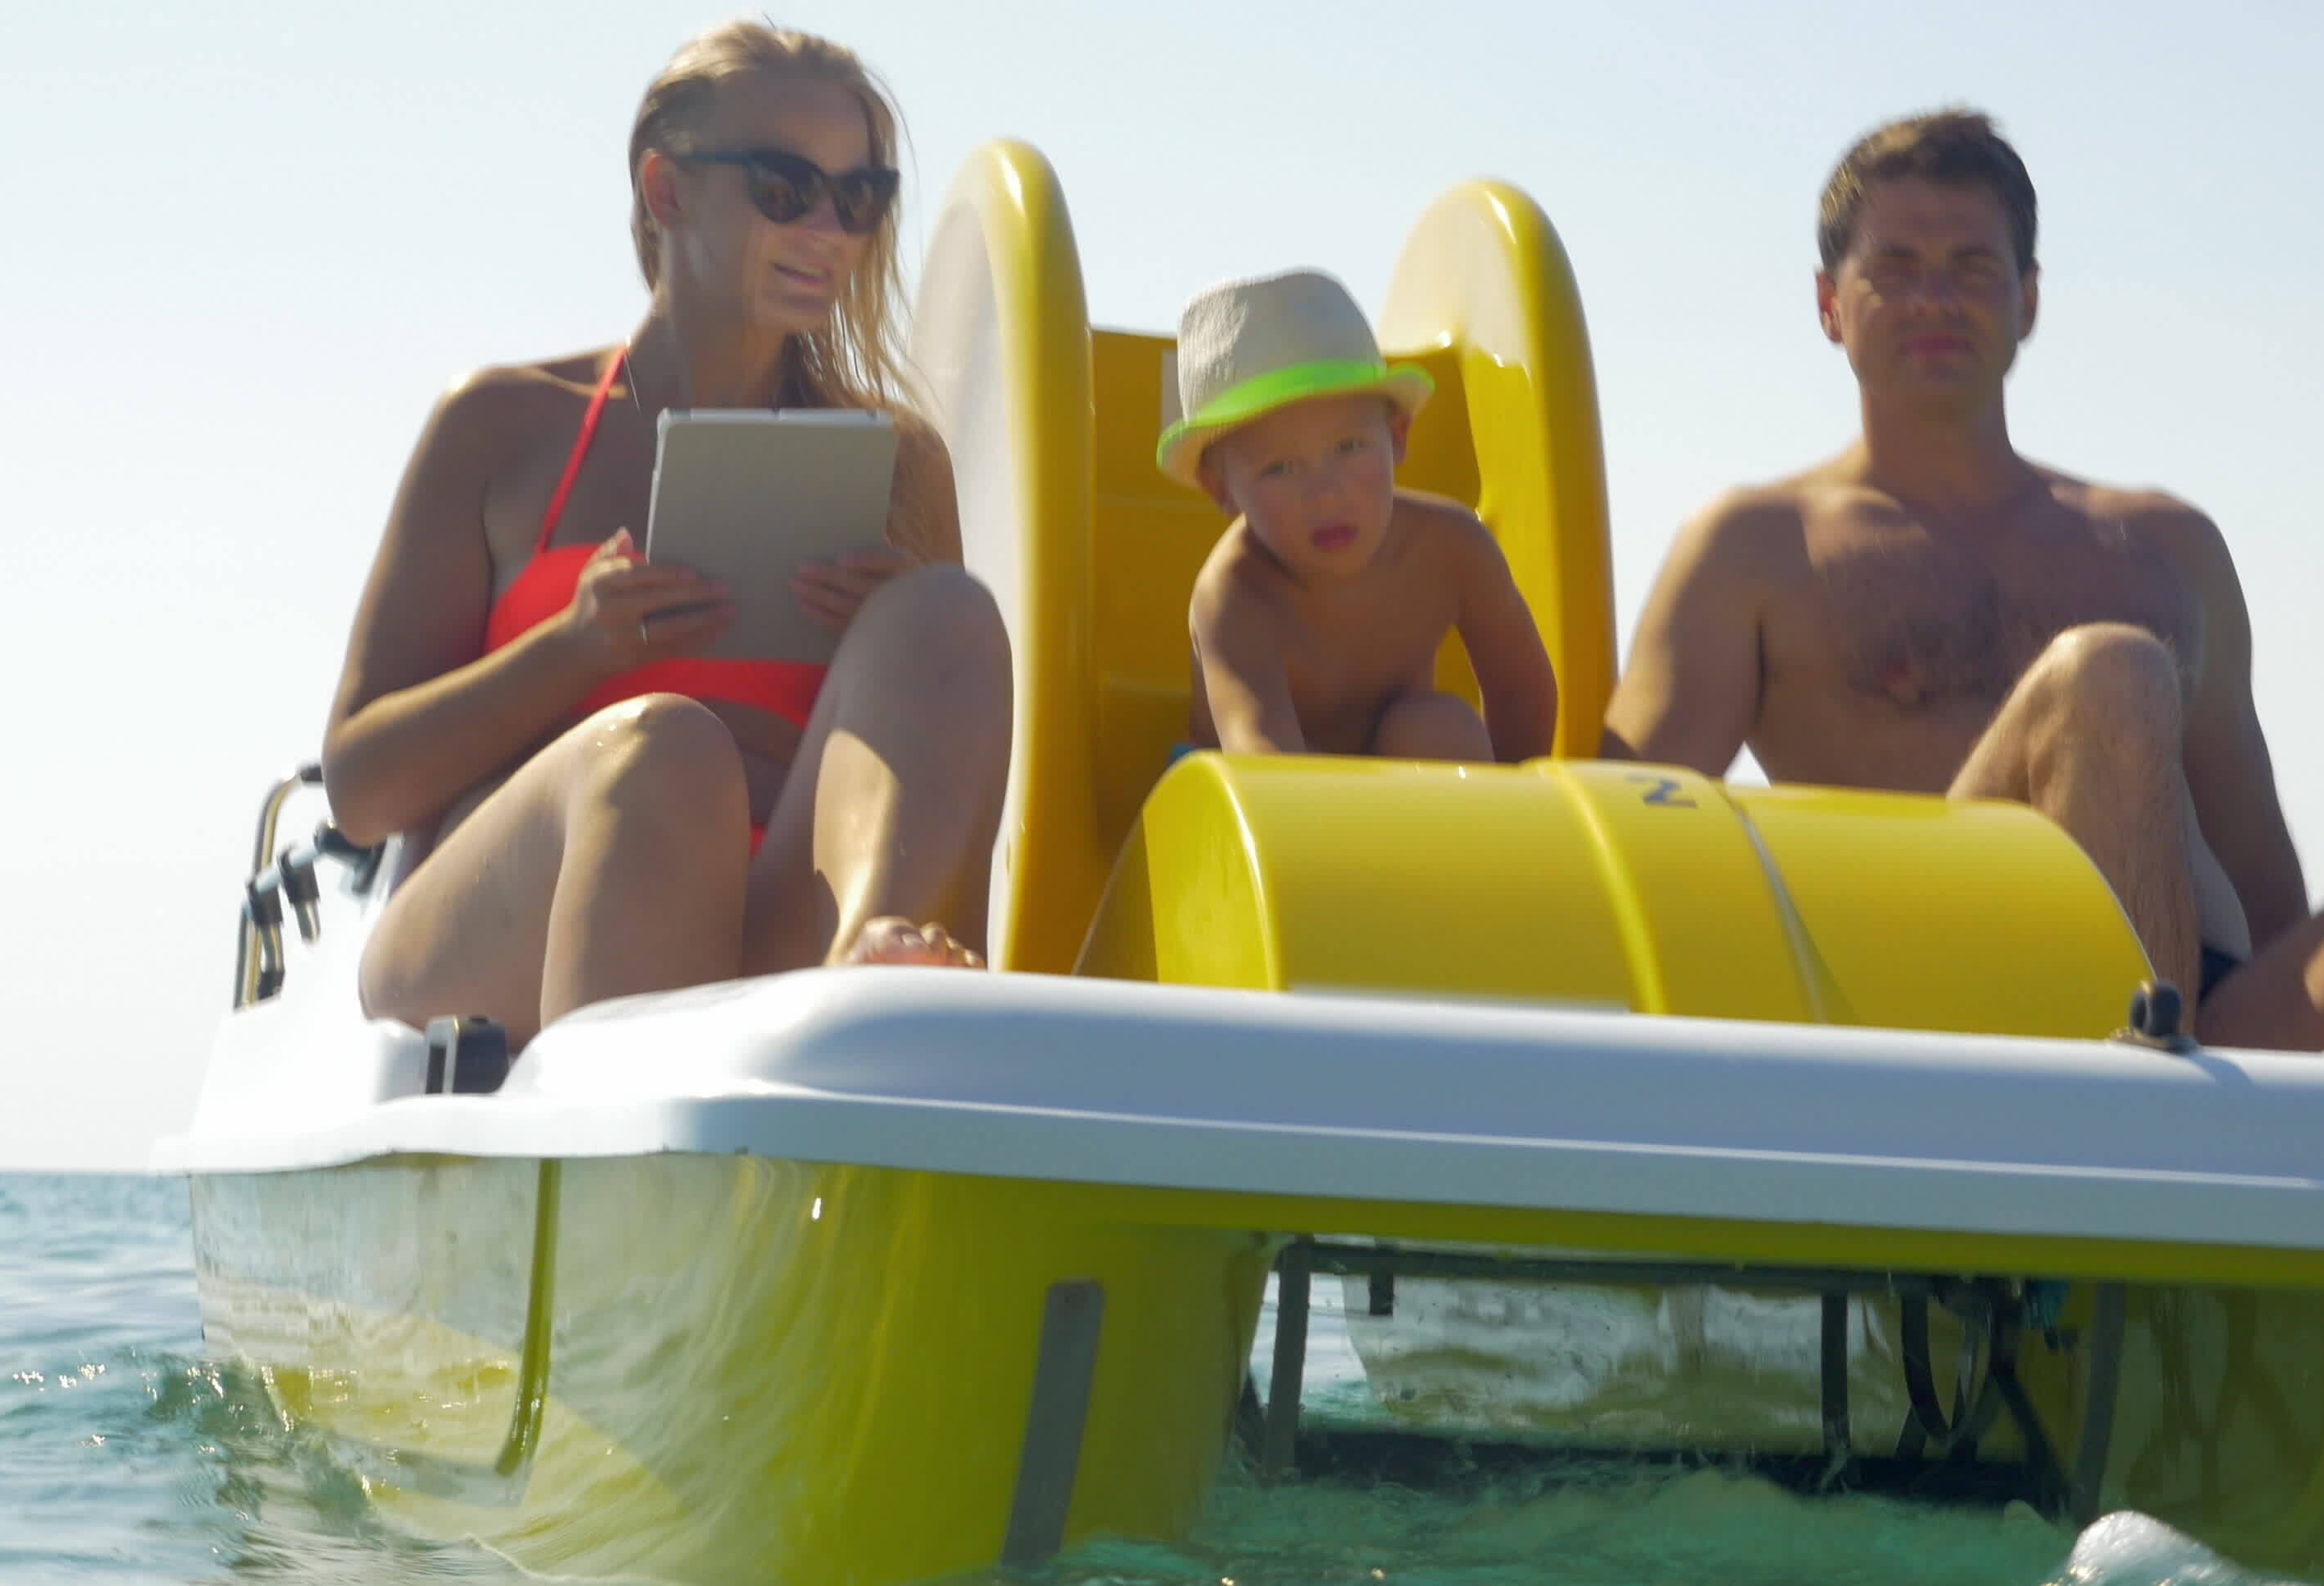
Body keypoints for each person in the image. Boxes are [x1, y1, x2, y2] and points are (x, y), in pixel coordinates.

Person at [1601, 111, 2324, 1062]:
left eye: (1973, 268)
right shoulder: (1754, 548)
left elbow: (2263, 881)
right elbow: (1623, 840)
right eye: (1895, 270)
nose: (1935, 300)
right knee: (2105, 677)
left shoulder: (2166, 545)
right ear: (1828, 305)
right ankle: (2142, 1141)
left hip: (2204, 1014)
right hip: (1932, 1003)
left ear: (2027, 300)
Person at [321, 21, 1014, 1043]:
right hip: (498, 925)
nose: (829, 227)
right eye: (786, 187)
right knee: (664, 747)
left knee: (944, 613)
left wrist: (877, 638)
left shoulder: (898, 464)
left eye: (861, 198)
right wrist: (574, 651)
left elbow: (912, 768)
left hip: (770, 913)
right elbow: (362, 790)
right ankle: (622, 1137)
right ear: (666, 189)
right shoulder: (502, 425)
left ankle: (881, 1005)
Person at [1160, 271, 1556, 763]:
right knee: (1297, 766)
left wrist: (1516, 809)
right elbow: (1264, 762)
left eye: (1348, 448)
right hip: (1245, 800)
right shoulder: (1236, 595)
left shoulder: (1452, 549)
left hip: (1385, 786)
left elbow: (1523, 691)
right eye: (1279, 469)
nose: (1325, 493)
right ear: (1219, 488)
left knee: (1441, 729)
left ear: (1398, 435)